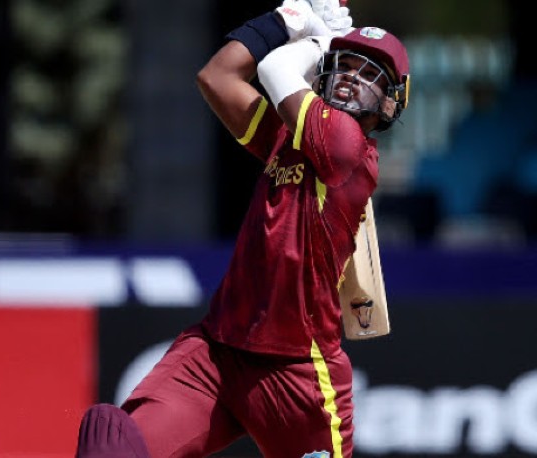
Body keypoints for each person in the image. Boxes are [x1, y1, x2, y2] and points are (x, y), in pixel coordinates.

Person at [74, 0, 410, 457]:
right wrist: (283, 20)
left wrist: (314, 36)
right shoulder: (284, 139)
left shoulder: (349, 148)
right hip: (217, 352)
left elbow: (273, 67)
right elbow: (218, 77)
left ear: (391, 101)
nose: (351, 76)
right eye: (344, 65)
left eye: (368, 73)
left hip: (300, 370)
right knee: (113, 445)